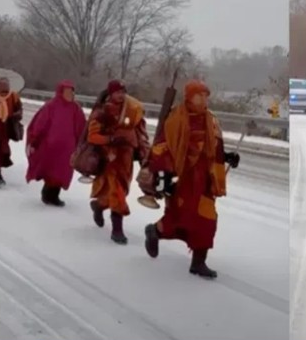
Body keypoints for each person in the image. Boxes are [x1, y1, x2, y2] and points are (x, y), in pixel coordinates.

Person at [141, 80, 238, 279]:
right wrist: (164, 172)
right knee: (180, 217)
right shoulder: (177, 118)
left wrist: (227, 156)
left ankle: (198, 262)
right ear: (189, 96)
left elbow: (215, 148)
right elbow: (163, 146)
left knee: (207, 219)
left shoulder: (211, 120)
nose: (203, 99)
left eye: (205, 96)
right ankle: (155, 231)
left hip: (206, 181)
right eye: (199, 95)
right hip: (184, 178)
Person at [86, 81, 148, 244]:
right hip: (109, 158)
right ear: (111, 93)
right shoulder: (102, 111)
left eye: (123, 91)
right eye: (117, 92)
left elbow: (141, 134)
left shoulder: (133, 110)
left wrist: (144, 153)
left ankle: (99, 205)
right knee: (117, 192)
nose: (121, 95)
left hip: (126, 159)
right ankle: (117, 229)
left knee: (119, 191)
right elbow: (92, 136)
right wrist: (111, 139)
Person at [25, 80, 86, 207]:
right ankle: (48, 193)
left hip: (68, 147)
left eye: (72, 92)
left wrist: (82, 142)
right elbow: (40, 124)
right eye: (67, 92)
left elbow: (81, 126)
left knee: (63, 171)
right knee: (51, 170)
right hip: (50, 146)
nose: (70, 94)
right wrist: (35, 139)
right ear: (61, 92)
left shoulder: (75, 108)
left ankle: (55, 194)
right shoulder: (51, 106)